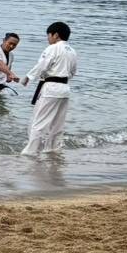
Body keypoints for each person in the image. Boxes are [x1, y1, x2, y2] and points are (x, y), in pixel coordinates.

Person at [21, 21, 78, 156]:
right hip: (65, 88)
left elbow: (42, 66)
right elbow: (73, 72)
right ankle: (53, 149)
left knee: (39, 122)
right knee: (57, 124)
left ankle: (31, 152)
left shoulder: (53, 48)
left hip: (51, 87)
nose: (48, 38)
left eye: (49, 35)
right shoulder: (72, 51)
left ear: (55, 35)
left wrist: (28, 77)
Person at [0, 33, 20, 100]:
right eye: (10, 43)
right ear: (4, 40)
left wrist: (9, 77)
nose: (11, 46)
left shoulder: (11, 55)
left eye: (14, 45)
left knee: (15, 96)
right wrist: (11, 74)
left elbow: (7, 74)